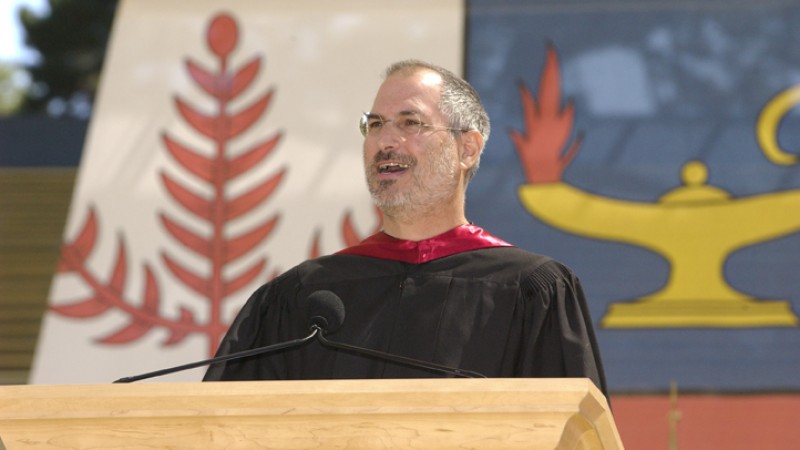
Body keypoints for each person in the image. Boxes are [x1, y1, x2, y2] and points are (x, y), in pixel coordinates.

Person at [203, 59, 608, 397]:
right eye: (375, 124)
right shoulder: (300, 297)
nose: (385, 141)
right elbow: (226, 428)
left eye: (410, 123)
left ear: (466, 148)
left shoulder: (530, 291)